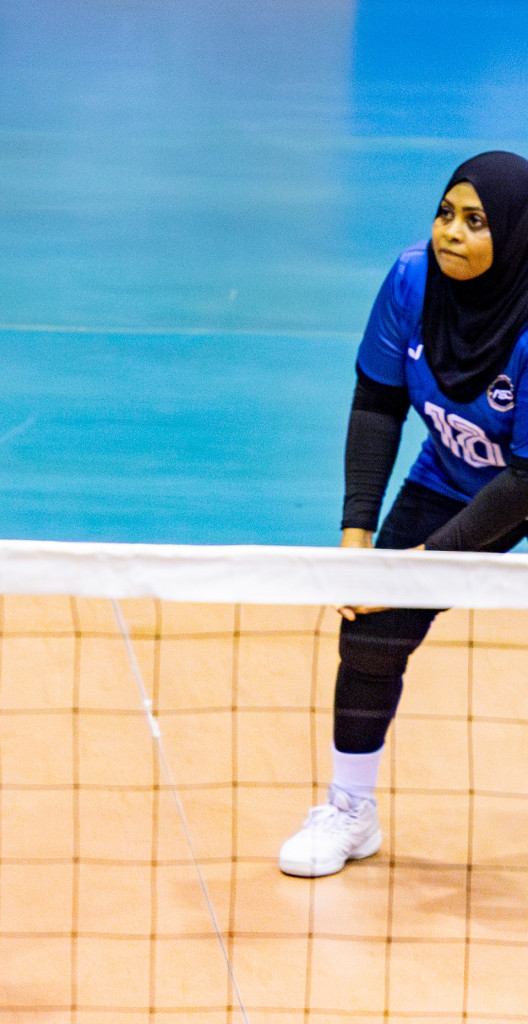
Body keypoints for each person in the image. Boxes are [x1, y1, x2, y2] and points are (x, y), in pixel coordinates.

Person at [279, 151, 528, 877]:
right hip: (454, 474)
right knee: (373, 627)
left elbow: (523, 483)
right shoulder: (410, 279)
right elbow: (378, 402)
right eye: (446, 213)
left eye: (476, 222)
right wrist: (360, 541)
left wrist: (417, 568)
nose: (452, 232)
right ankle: (351, 811)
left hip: (521, 476)